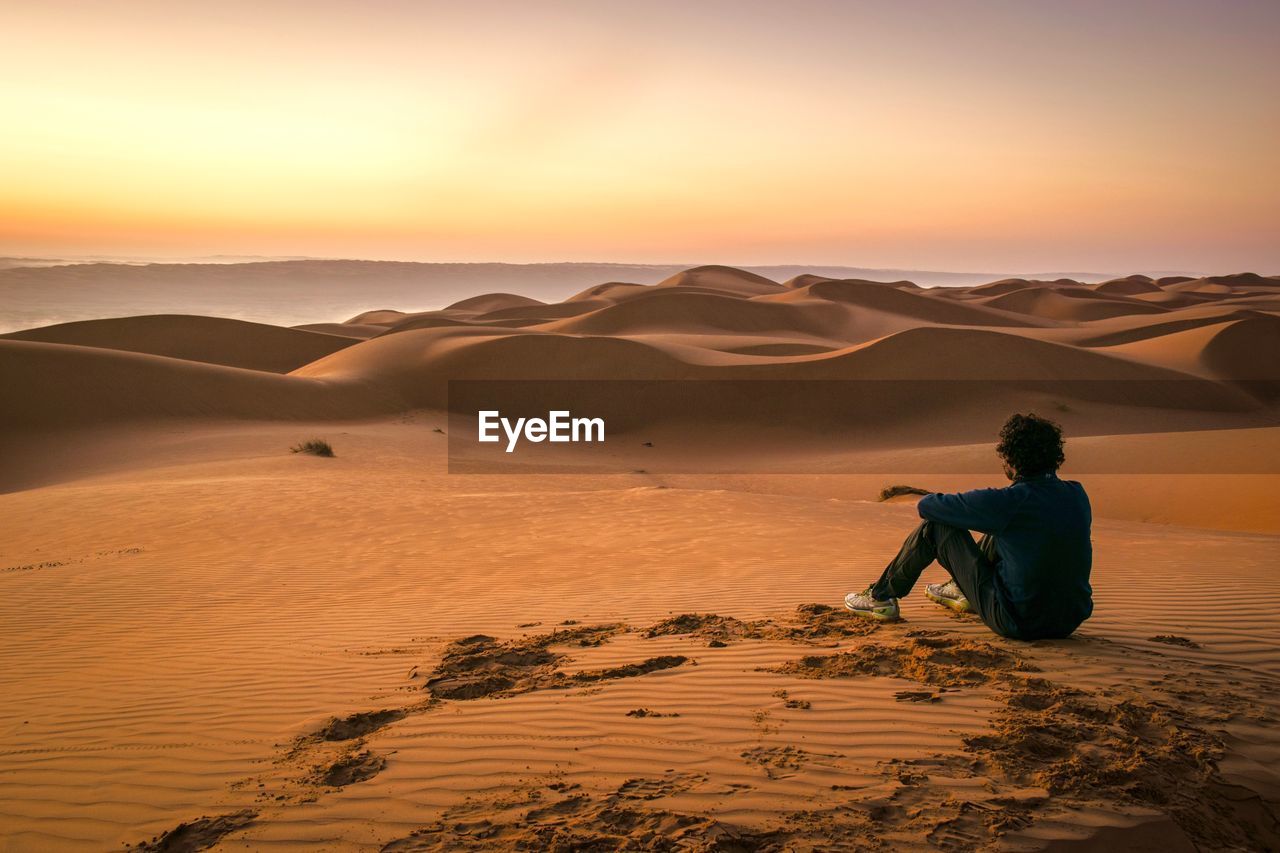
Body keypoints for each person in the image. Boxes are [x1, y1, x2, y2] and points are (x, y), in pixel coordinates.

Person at [844, 413, 1093, 640]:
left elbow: (928, 507)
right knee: (1008, 531)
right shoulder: (1076, 493)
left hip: (1019, 621)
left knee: (935, 528)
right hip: (1068, 621)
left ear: (1010, 458)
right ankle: (959, 590)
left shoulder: (1008, 502)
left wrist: (955, 503)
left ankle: (881, 597)